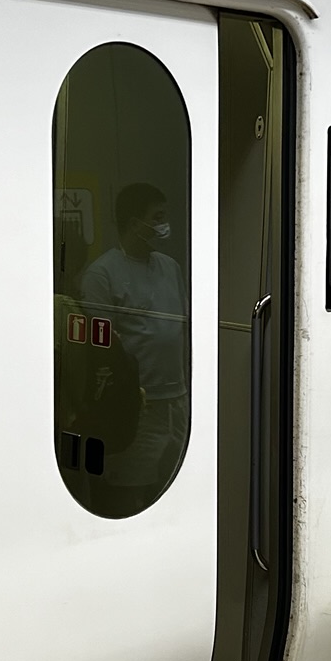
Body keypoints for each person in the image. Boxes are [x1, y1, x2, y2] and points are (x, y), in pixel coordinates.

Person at [81, 182, 189, 515]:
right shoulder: (102, 274)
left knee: (175, 488)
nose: (163, 224)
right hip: (137, 405)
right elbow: (100, 349)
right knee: (128, 493)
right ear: (133, 223)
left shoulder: (169, 267)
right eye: (157, 217)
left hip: (177, 399)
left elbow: (181, 326)